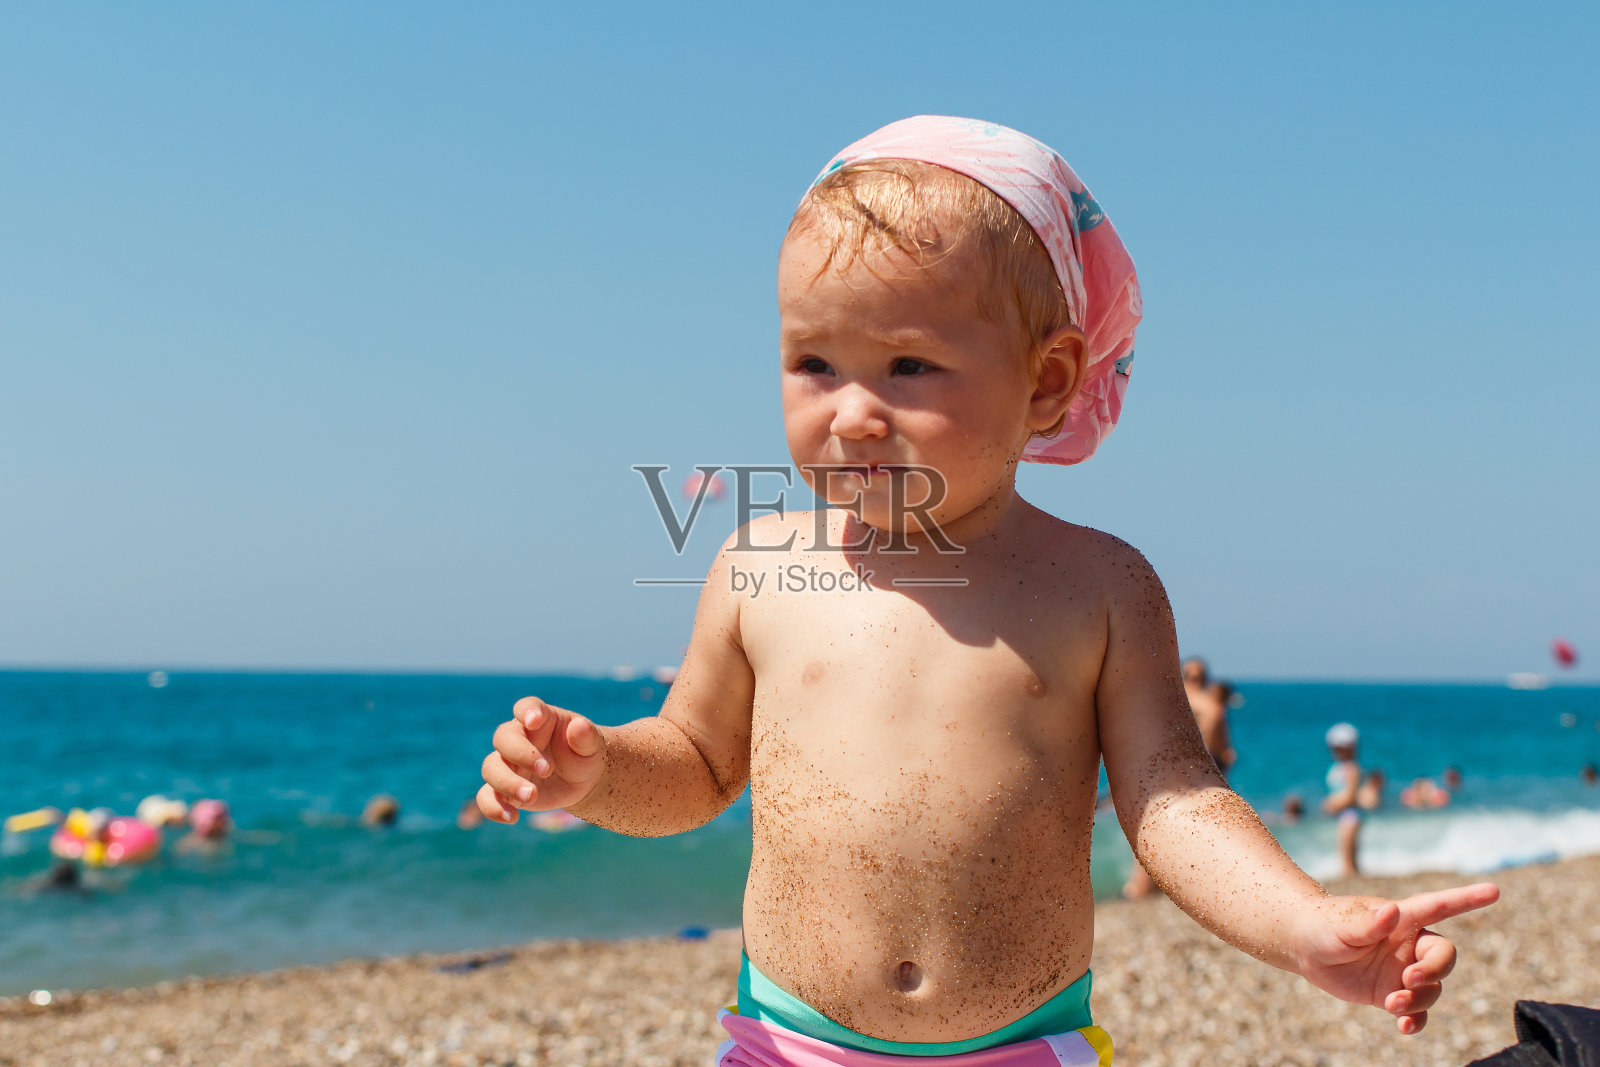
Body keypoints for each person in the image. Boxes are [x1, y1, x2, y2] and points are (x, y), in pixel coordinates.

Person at [476, 116, 1497, 1060]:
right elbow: (696, 762)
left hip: (1023, 1043)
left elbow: (1172, 800)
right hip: (789, 1042)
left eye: (909, 365)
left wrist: (1302, 924)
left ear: (1046, 381)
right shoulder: (759, 567)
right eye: (814, 362)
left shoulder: (1097, 585)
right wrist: (600, 771)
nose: (854, 414)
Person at [1121, 657, 1236, 898]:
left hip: (1164, 784)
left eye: (1195, 678)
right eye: (1195, 678)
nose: (1194, 683)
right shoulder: (1207, 705)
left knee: (1152, 848)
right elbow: (1223, 750)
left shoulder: (1166, 702)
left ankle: (1139, 895)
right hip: (1196, 786)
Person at [1321, 723, 1364, 877]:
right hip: (1344, 815)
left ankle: (1353, 881)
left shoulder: (1351, 768)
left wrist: (1332, 804)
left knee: (1348, 859)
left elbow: (1351, 796)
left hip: (1350, 815)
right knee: (1346, 855)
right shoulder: (1340, 766)